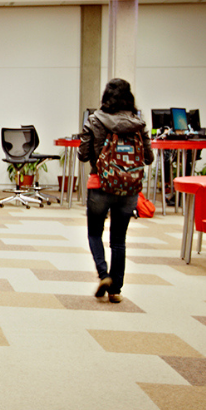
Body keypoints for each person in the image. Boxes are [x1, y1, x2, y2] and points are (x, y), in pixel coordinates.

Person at [78, 78, 150, 304]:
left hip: (100, 184)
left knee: (94, 233)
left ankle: (104, 274)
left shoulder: (95, 120)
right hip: (129, 188)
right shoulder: (138, 123)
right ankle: (116, 289)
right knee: (119, 239)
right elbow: (148, 157)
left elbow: (82, 154)